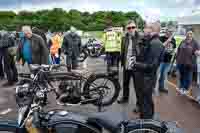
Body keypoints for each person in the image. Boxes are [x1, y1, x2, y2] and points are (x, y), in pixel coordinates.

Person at [131, 22, 164, 119]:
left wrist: (135, 64)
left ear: (152, 30)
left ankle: (147, 124)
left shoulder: (156, 44)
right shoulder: (150, 41)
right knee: (143, 102)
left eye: (145, 28)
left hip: (148, 79)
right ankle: (144, 121)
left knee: (146, 103)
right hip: (144, 78)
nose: (143, 30)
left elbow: (151, 65)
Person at [117, 20, 141, 109]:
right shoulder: (124, 38)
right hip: (127, 65)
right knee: (125, 83)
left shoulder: (140, 38)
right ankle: (125, 98)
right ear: (126, 29)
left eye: (133, 27)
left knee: (137, 87)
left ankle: (139, 104)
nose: (131, 29)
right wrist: (120, 63)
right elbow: (122, 52)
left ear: (136, 28)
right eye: (129, 28)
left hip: (136, 66)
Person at [158, 28, 176, 93]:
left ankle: (161, 87)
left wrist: (172, 53)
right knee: (156, 75)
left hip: (168, 61)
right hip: (161, 60)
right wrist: (168, 40)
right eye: (169, 31)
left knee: (163, 75)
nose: (170, 32)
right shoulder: (161, 38)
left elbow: (174, 49)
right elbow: (161, 46)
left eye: (171, 31)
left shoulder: (173, 40)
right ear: (166, 31)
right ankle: (152, 88)